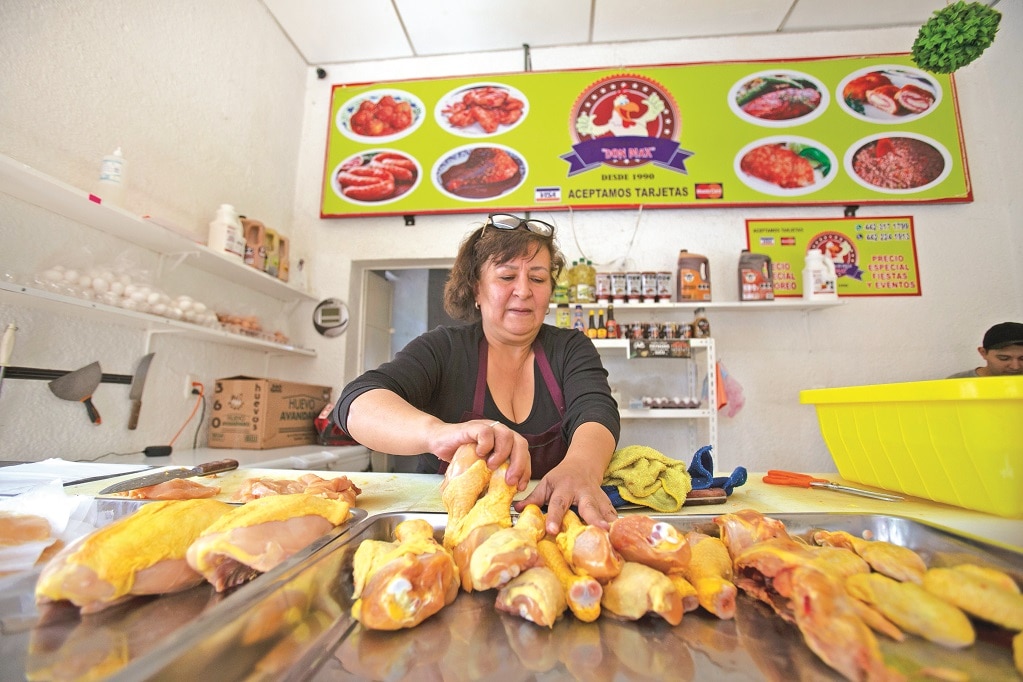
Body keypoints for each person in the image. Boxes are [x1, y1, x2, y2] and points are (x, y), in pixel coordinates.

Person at [334, 213, 621, 534]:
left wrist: (581, 468)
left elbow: (595, 410)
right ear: (476, 289)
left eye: (538, 279)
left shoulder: (570, 347)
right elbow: (356, 402)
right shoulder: (444, 348)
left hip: (549, 525)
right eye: (507, 276)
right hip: (445, 527)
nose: (524, 290)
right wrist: (436, 433)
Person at [947, 321, 1023, 378]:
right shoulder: (956, 383)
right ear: (983, 353)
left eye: (1022, 358)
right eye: (1004, 358)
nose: (1015, 366)